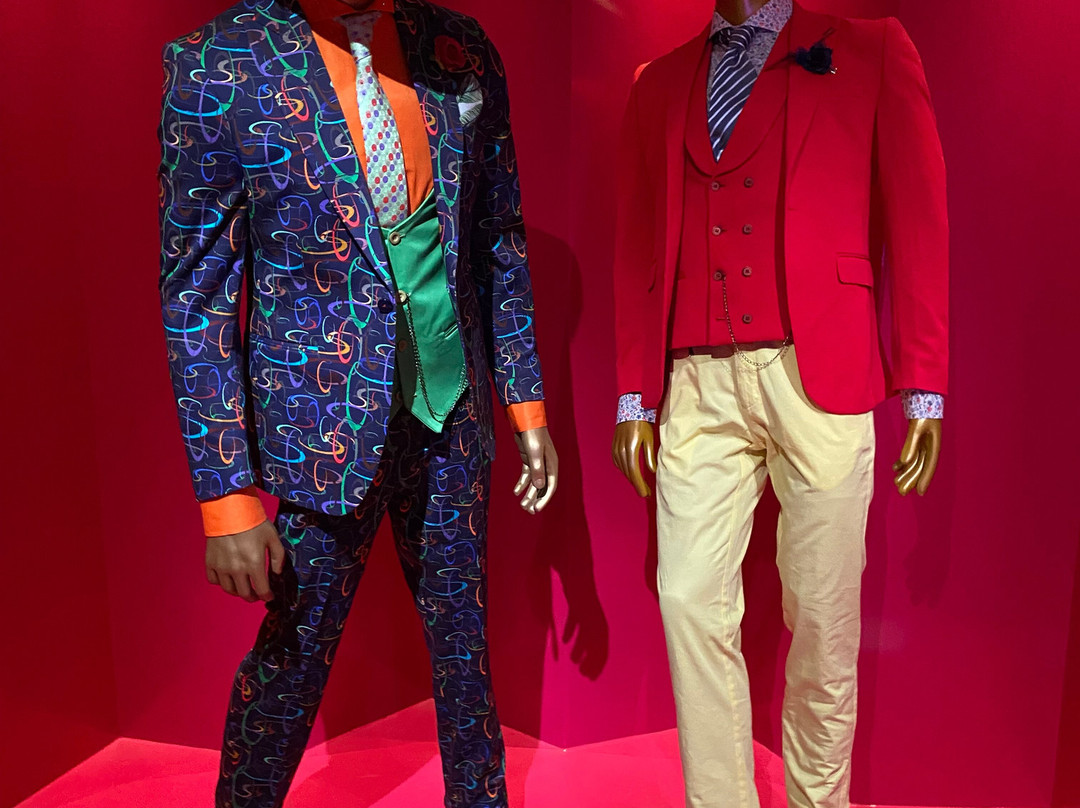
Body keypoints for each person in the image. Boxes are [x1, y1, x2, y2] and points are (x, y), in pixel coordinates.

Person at [158, 1, 558, 805]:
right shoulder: (216, 63)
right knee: (291, 658)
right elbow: (197, 295)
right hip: (320, 428)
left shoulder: (458, 47)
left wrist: (526, 406)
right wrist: (227, 497)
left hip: (453, 411)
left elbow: (498, 237)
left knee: (465, 655)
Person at [610, 1, 948, 806]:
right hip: (694, 378)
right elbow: (635, 243)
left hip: (820, 372)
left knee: (824, 618)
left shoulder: (871, 49)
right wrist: (633, 396)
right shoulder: (658, 83)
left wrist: (924, 385)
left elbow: (919, 216)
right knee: (687, 599)